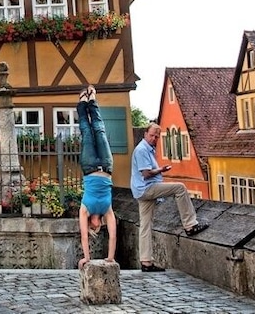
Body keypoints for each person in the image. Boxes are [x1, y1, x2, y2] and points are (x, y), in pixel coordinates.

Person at [131, 122, 209, 272]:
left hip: (141, 190)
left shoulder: (147, 149)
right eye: (152, 135)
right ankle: (190, 225)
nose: (154, 139)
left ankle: (146, 262)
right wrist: (161, 170)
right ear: (145, 134)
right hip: (146, 188)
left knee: (145, 225)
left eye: (156, 136)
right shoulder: (142, 149)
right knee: (180, 188)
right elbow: (146, 174)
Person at [75, 86, 116, 269]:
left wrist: (86, 258)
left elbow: (83, 236)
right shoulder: (107, 210)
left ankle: (82, 103)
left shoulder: (85, 209)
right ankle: (92, 100)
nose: (97, 226)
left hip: (89, 166)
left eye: (94, 227)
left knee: (86, 131)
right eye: (97, 227)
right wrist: (110, 258)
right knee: (99, 130)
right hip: (106, 166)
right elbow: (113, 235)